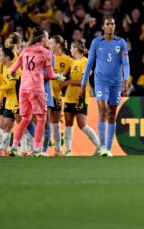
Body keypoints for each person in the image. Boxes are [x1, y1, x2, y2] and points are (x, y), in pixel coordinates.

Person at [8, 30, 65, 157]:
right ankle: (37, 150)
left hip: (23, 89)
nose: (48, 40)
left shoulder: (26, 50)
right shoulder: (46, 52)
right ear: (43, 39)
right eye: (47, 38)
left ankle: (13, 148)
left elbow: (12, 70)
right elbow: (50, 75)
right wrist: (59, 77)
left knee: (25, 119)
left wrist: (13, 74)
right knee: (41, 119)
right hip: (36, 88)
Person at [80, 16, 130, 157]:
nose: (110, 26)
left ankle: (108, 149)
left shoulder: (121, 42)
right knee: (102, 110)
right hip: (101, 82)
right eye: (108, 24)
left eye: (112, 24)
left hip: (116, 83)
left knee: (112, 114)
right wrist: (84, 83)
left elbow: (126, 63)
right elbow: (90, 64)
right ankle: (101, 147)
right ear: (103, 26)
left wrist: (125, 79)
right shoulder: (96, 42)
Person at [64, 39, 101, 156]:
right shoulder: (73, 62)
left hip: (81, 97)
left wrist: (67, 82)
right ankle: (68, 150)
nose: (70, 50)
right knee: (68, 124)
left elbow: (82, 81)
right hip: (69, 97)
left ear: (76, 48)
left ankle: (100, 147)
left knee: (82, 125)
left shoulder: (85, 62)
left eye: (71, 47)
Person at [0, 47, 21, 156]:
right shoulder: (4, 68)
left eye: (1, 55)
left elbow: (11, 85)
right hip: (9, 101)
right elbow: (4, 83)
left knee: (22, 124)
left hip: (18, 101)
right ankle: (3, 149)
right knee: (7, 124)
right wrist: (1, 97)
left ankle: (28, 149)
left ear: (7, 57)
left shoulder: (14, 68)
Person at [49, 35, 72, 156]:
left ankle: (58, 150)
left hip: (57, 96)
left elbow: (83, 69)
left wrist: (67, 82)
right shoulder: (46, 57)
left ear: (58, 45)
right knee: (43, 122)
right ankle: (40, 149)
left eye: (51, 43)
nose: (49, 44)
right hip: (45, 94)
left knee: (55, 123)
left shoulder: (67, 60)